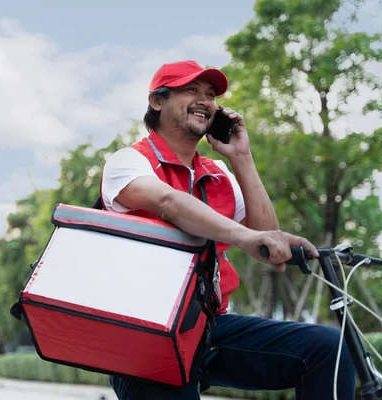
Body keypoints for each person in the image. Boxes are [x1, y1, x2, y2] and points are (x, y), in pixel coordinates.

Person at [99, 60, 355, 399]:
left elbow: (268, 241)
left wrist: (241, 157)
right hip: (145, 335)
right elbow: (168, 202)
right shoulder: (129, 162)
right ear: (157, 102)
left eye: (210, 94)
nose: (204, 100)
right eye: (191, 90)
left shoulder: (219, 173)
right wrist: (243, 236)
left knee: (328, 349)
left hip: (207, 328)